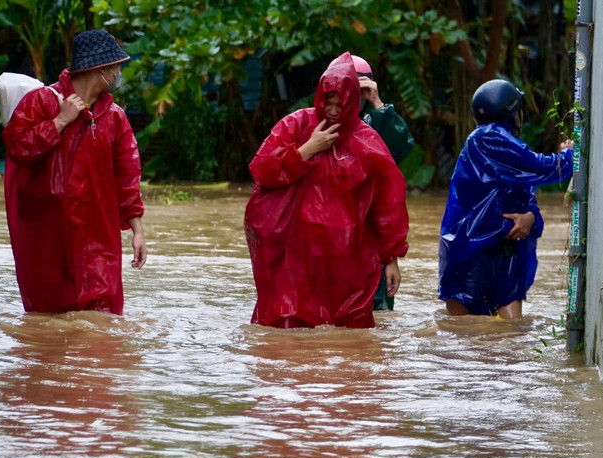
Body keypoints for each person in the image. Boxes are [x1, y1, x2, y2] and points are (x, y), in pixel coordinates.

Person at [244, 52, 409, 329]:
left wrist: (391, 259)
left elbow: (387, 206)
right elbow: (262, 170)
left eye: (339, 104)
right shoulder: (296, 124)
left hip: (346, 258)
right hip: (294, 253)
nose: (332, 111)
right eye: (327, 103)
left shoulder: (367, 141)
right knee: (288, 326)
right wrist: (308, 149)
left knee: (346, 332)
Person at [3, 29, 146, 316]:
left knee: (100, 317)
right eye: (116, 67)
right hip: (48, 235)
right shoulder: (44, 101)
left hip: (97, 237)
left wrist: (138, 231)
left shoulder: (114, 116)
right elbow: (18, 146)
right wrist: (59, 121)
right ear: (101, 68)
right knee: (51, 316)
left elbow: (128, 176)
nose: (119, 73)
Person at [437, 79, 574, 318]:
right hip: (477, 252)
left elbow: (527, 191)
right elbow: (544, 169)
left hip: (487, 250)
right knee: (504, 334)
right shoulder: (490, 137)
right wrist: (570, 156)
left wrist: (530, 217)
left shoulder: (499, 145)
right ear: (512, 112)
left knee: (468, 335)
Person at [350, 54, 415, 312]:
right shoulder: (316, 129)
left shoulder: (374, 125)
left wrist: (391, 259)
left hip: (371, 246)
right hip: (330, 245)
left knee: (378, 320)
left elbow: (389, 202)